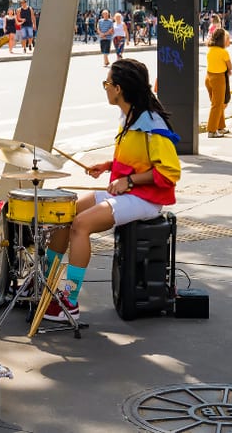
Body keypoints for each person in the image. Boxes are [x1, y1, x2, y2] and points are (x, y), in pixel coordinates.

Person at [45, 59, 180, 321]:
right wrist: (109, 166)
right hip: (130, 193)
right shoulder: (129, 116)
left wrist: (128, 182)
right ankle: (46, 284)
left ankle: (69, 301)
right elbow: (136, 161)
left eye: (107, 83)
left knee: (80, 225)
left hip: (145, 199)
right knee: (63, 213)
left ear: (118, 88)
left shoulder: (151, 124)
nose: (105, 88)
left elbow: (169, 172)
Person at [205, 27, 231, 138]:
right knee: (217, 104)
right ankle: (212, 130)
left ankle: (220, 126)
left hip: (208, 77)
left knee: (217, 103)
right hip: (218, 78)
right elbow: (229, 66)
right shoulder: (223, 52)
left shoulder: (210, 50)